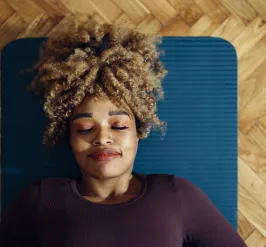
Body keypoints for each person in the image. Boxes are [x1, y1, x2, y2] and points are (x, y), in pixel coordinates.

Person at [0, 14, 247, 247]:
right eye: (85, 128)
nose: (102, 138)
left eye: (118, 126)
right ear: (69, 139)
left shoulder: (175, 194)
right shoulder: (43, 199)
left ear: (138, 132)